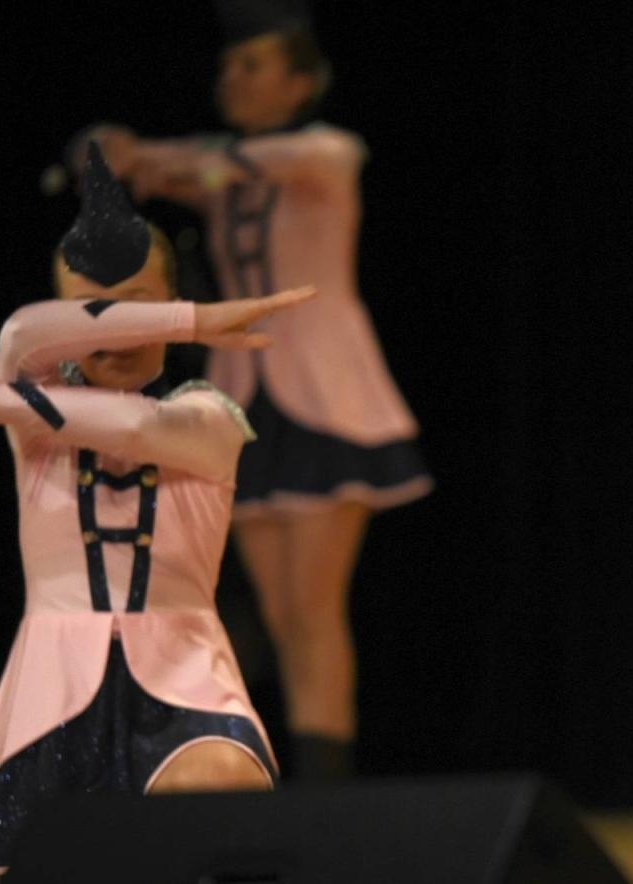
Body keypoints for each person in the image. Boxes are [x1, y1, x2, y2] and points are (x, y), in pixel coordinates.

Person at [0, 144, 314, 884]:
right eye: (94, 309)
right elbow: (26, 329)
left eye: (138, 305)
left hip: (185, 678)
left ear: (171, 301)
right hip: (54, 692)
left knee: (222, 801)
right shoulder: (25, 398)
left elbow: (133, 423)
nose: (116, 331)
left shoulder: (210, 419)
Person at [90, 0, 430, 780]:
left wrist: (150, 154)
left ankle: (326, 795)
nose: (233, 80)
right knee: (275, 615)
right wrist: (115, 156)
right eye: (229, 67)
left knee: (312, 610)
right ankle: (289, 778)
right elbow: (171, 173)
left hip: (327, 394)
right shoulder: (221, 170)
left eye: (253, 67)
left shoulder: (329, 150)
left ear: (300, 83)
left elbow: (222, 165)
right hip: (245, 402)